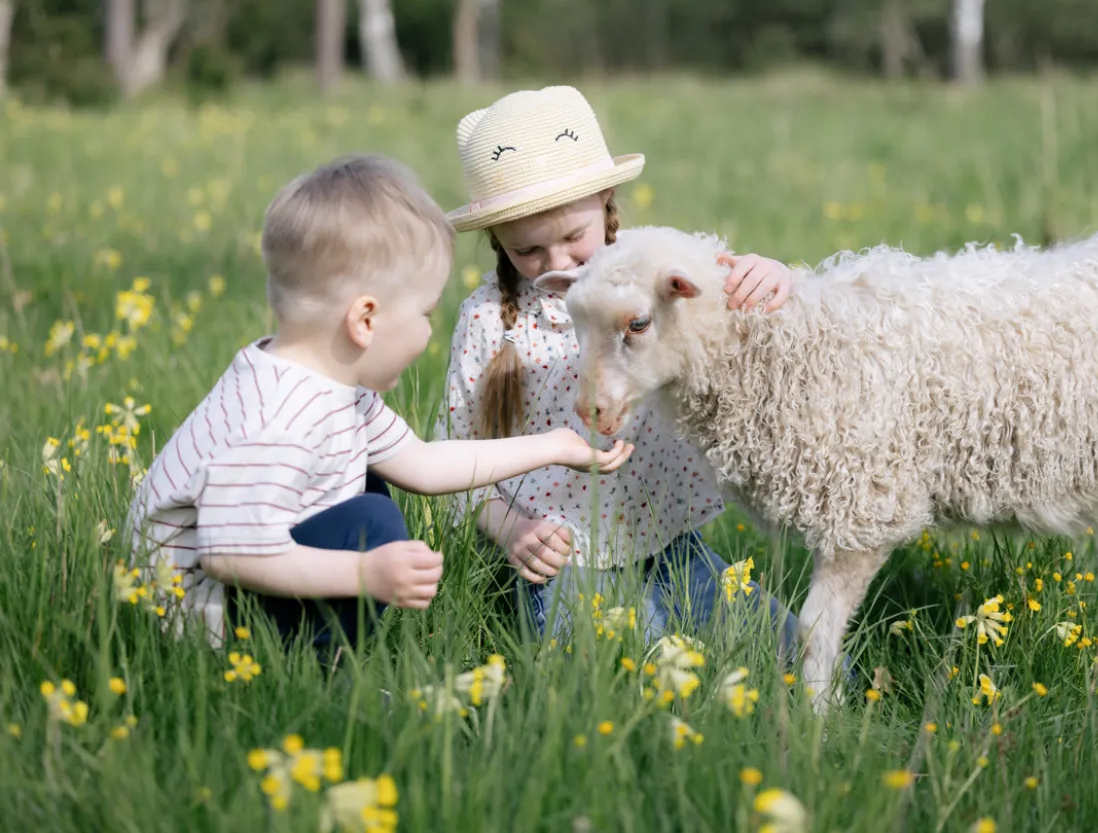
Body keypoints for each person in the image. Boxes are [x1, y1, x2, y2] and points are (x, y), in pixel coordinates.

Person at [124, 154, 632, 652]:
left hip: (239, 592)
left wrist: (555, 445)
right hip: (195, 626)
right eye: (425, 315)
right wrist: (366, 572)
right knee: (373, 522)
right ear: (365, 320)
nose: (429, 333)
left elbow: (424, 466)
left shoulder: (334, 389)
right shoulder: (280, 415)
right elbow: (230, 555)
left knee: (368, 482)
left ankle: (316, 656)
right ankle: (318, 673)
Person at [437, 85, 800, 654]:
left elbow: (728, 294)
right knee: (627, 675)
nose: (557, 262)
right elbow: (455, 459)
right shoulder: (488, 320)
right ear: (496, 238)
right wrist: (513, 531)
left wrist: (772, 274)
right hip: (563, 559)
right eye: (528, 250)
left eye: (572, 237)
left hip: (673, 548)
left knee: (798, 656)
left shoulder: (651, 267)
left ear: (605, 198)